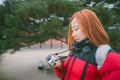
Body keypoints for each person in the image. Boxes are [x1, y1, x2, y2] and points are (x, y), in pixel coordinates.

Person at [52, 9, 120, 80]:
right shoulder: (74, 50)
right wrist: (60, 67)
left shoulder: (106, 55)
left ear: (89, 27)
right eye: (72, 30)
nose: (73, 34)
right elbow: (69, 75)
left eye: (76, 29)